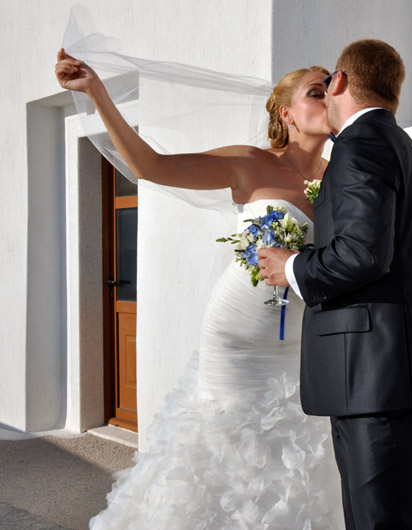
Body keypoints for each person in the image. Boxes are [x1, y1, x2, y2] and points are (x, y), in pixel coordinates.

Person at [55, 49, 345, 528]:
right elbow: (148, 166)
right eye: (316, 91)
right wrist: (96, 92)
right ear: (286, 113)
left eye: (331, 90)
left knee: (298, 457)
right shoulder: (249, 164)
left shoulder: (341, 176)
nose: (328, 99)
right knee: (224, 451)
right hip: (239, 337)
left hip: (303, 341)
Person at [258, 39, 412, 529]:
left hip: (375, 378)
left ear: (342, 83)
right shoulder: (400, 145)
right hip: (387, 373)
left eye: (326, 83)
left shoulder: (360, 146)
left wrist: (292, 267)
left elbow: (363, 253)